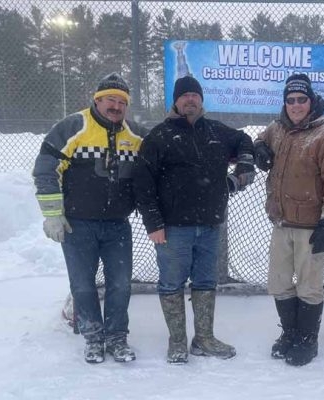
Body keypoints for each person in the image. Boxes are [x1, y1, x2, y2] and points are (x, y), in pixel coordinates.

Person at [133, 75, 255, 364]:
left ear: (201, 100)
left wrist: (246, 159)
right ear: (175, 101)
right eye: (184, 95)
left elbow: (243, 139)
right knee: (171, 283)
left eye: (195, 95)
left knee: (205, 281)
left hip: (211, 225)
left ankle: (203, 338)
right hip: (173, 229)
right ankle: (177, 341)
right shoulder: (159, 136)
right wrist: (153, 224)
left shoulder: (216, 131)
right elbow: (143, 184)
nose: (190, 99)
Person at [33, 73, 147, 364]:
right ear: (97, 100)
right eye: (111, 99)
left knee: (120, 284)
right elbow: (46, 169)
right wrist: (53, 215)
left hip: (117, 226)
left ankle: (117, 338)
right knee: (82, 285)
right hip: (77, 225)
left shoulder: (135, 135)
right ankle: (94, 337)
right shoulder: (72, 127)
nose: (116, 106)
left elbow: (162, 159)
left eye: (122, 101)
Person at [254, 74, 324, 367]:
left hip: (311, 226)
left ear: (311, 101)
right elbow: (260, 139)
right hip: (281, 223)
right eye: (290, 100)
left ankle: (308, 339)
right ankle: (291, 333)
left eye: (301, 100)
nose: (295, 105)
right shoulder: (277, 128)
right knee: (279, 283)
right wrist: (258, 148)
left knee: (309, 286)